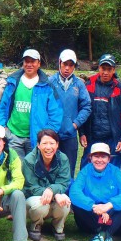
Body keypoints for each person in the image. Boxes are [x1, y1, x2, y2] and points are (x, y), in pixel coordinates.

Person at [0, 49, 62, 160]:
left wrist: (46, 136)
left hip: (36, 138)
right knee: (17, 172)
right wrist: (3, 128)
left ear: (39, 64)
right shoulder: (13, 82)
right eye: (26, 61)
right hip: (14, 136)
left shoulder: (47, 86)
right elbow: (2, 107)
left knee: (35, 172)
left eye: (33, 61)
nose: (29, 64)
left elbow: (56, 113)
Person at [70, 142, 121, 241]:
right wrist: (93, 206)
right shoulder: (85, 171)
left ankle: (101, 236)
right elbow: (75, 192)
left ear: (109, 159)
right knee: (76, 203)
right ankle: (106, 236)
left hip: (110, 213)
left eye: (103, 156)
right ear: (90, 158)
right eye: (96, 156)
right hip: (92, 214)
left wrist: (108, 206)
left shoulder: (115, 171)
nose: (100, 160)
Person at [79, 53, 121, 169]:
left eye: (109, 69)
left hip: (112, 138)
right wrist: (82, 133)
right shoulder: (88, 86)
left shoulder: (120, 90)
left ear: (113, 70)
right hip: (92, 136)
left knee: (113, 171)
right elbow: (82, 111)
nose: (105, 72)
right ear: (99, 68)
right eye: (103, 68)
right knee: (86, 169)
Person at [22, 129, 71, 241]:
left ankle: (58, 226)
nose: (48, 147)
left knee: (65, 202)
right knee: (41, 204)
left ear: (57, 145)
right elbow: (31, 186)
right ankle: (36, 225)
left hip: (54, 195)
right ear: (38, 145)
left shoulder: (63, 158)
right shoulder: (29, 160)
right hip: (33, 198)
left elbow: (63, 182)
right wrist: (53, 194)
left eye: (52, 143)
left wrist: (52, 190)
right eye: (44, 143)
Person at [48, 49, 91, 177]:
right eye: (64, 64)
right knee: (50, 169)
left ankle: (67, 195)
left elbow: (86, 106)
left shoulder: (79, 84)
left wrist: (75, 124)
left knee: (69, 170)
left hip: (70, 135)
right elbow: (43, 106)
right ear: (59, 63)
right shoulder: (50, 82)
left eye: (71, 65)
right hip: (52, 135)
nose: (67, 68)